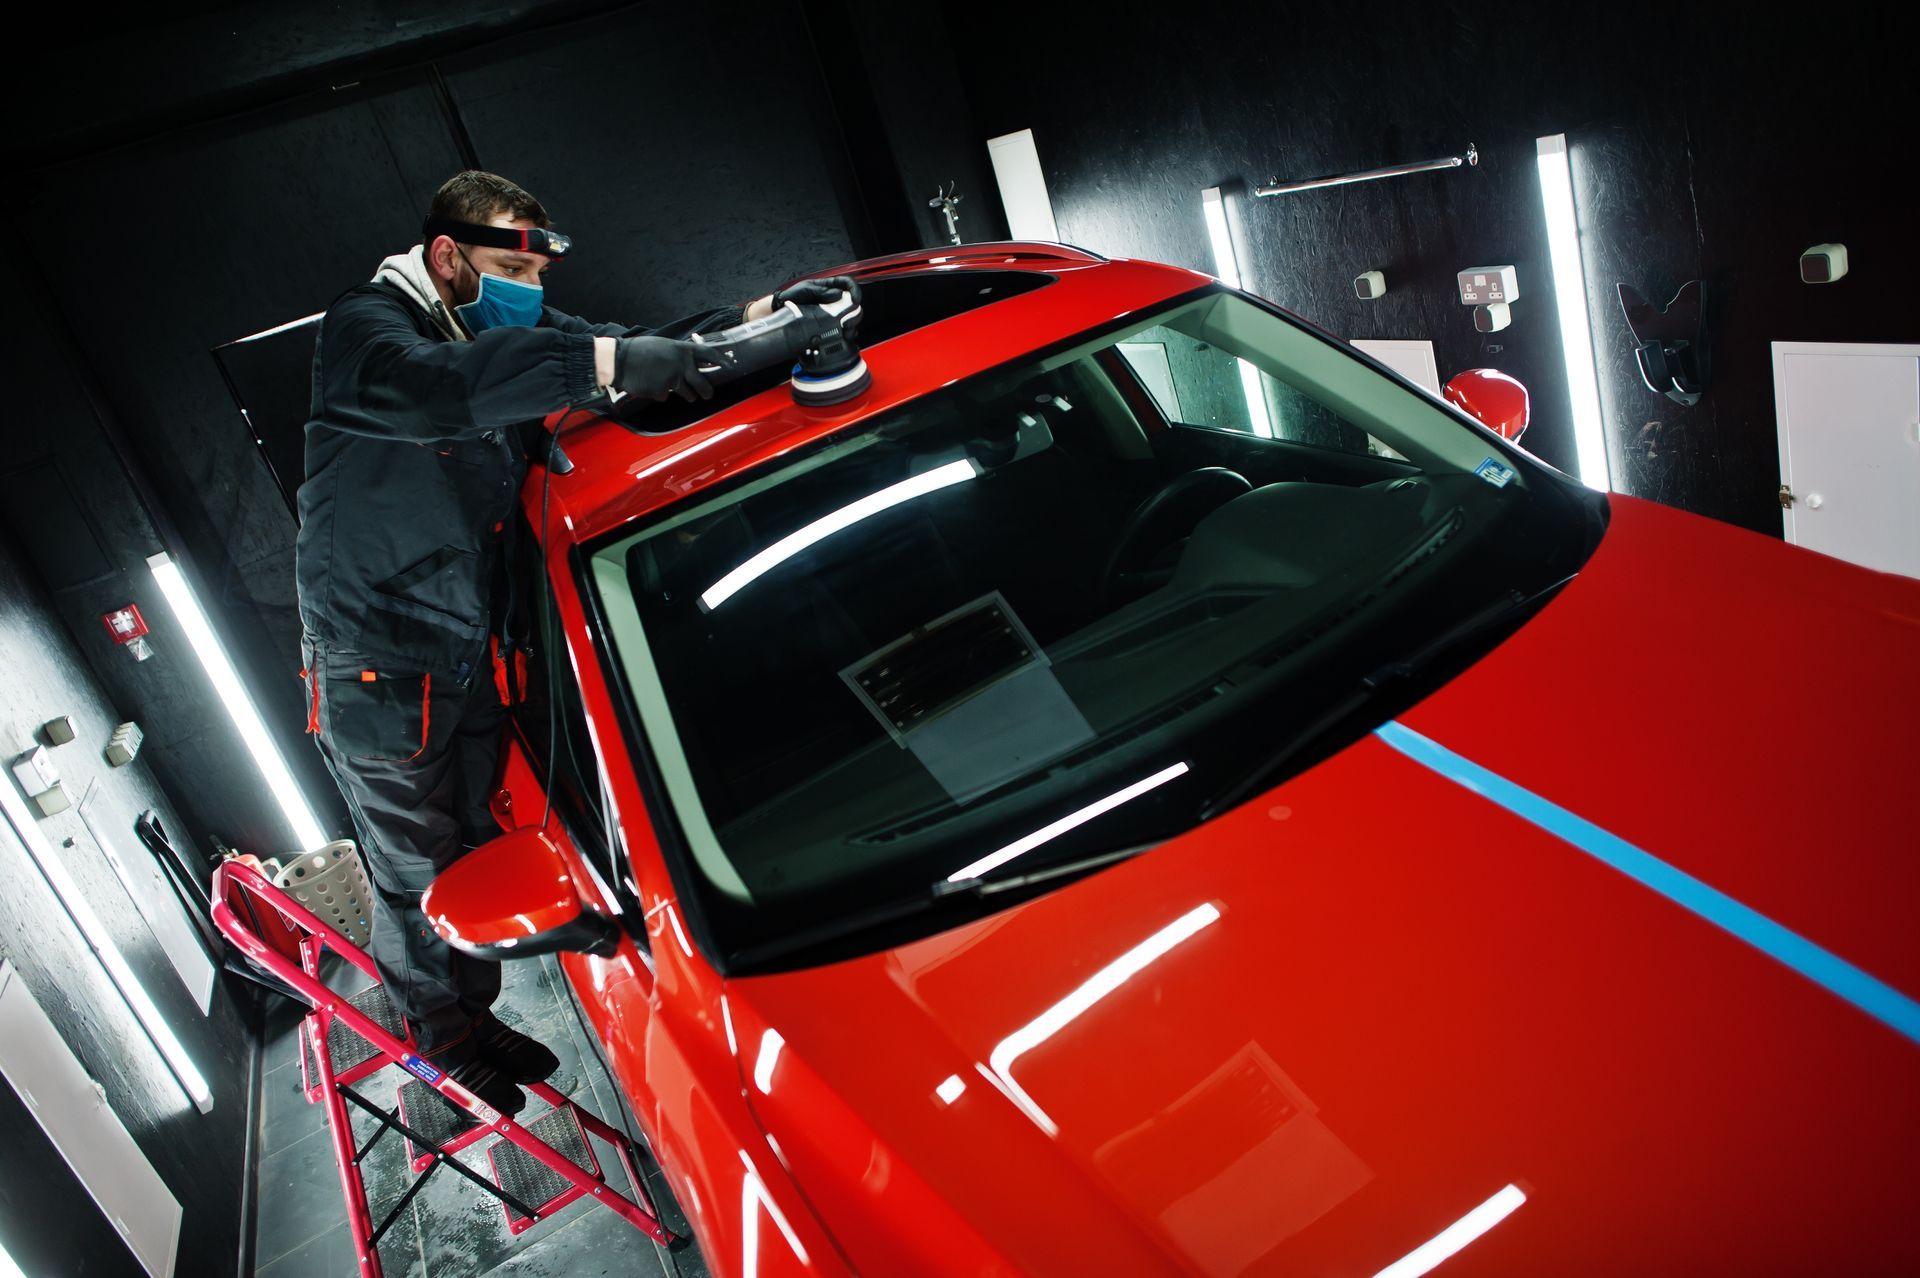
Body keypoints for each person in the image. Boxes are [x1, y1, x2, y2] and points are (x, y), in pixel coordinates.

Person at [293, 169, 834, 1115]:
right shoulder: (370, 332)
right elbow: (436, 395)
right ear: (446, 256)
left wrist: (761, 317)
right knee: (419, 867)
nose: (524, 293)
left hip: (457, 642)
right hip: (380, 659)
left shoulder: (485, 325)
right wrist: (606, 365)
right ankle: (440, 1038)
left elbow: (623, 349)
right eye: (506, 267)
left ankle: (470, 1011)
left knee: (470, 846)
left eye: (533, 273)